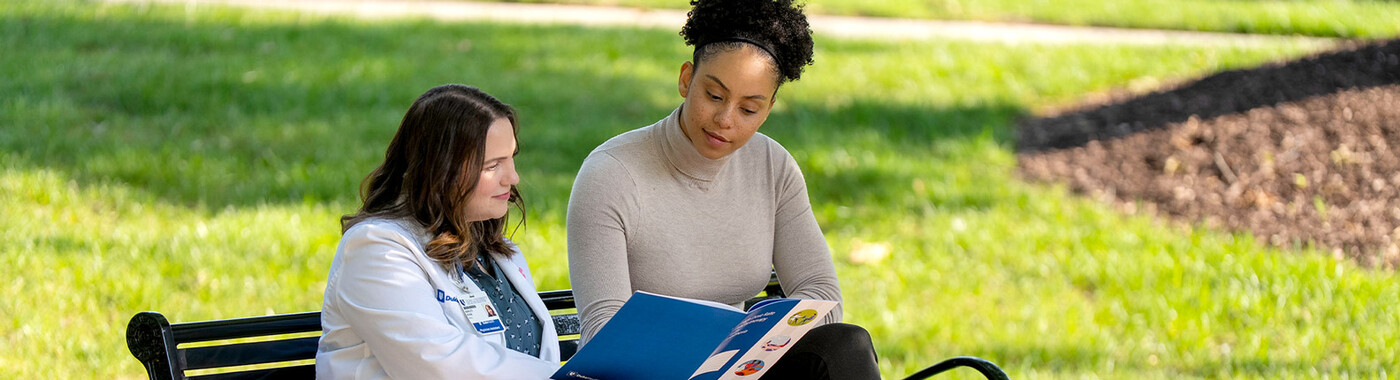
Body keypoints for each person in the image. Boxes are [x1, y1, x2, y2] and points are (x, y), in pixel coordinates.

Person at [565, 0, 880, 378]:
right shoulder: (611, 175)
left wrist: (758, 350)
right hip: (644, 372)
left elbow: (820, 293)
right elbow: (604, 329)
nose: (724, 120)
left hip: (741, 369)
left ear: (768, 109)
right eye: (714, 96)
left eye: (749, 109)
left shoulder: (772, 166)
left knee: (845, 345)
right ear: (686, 79)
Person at [317, 84, 560, 379]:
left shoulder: (493, 252)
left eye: (511, 158)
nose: (513, 177)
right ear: (441, 171)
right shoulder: (376, 250)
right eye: (492, 165)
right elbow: (436, 364)